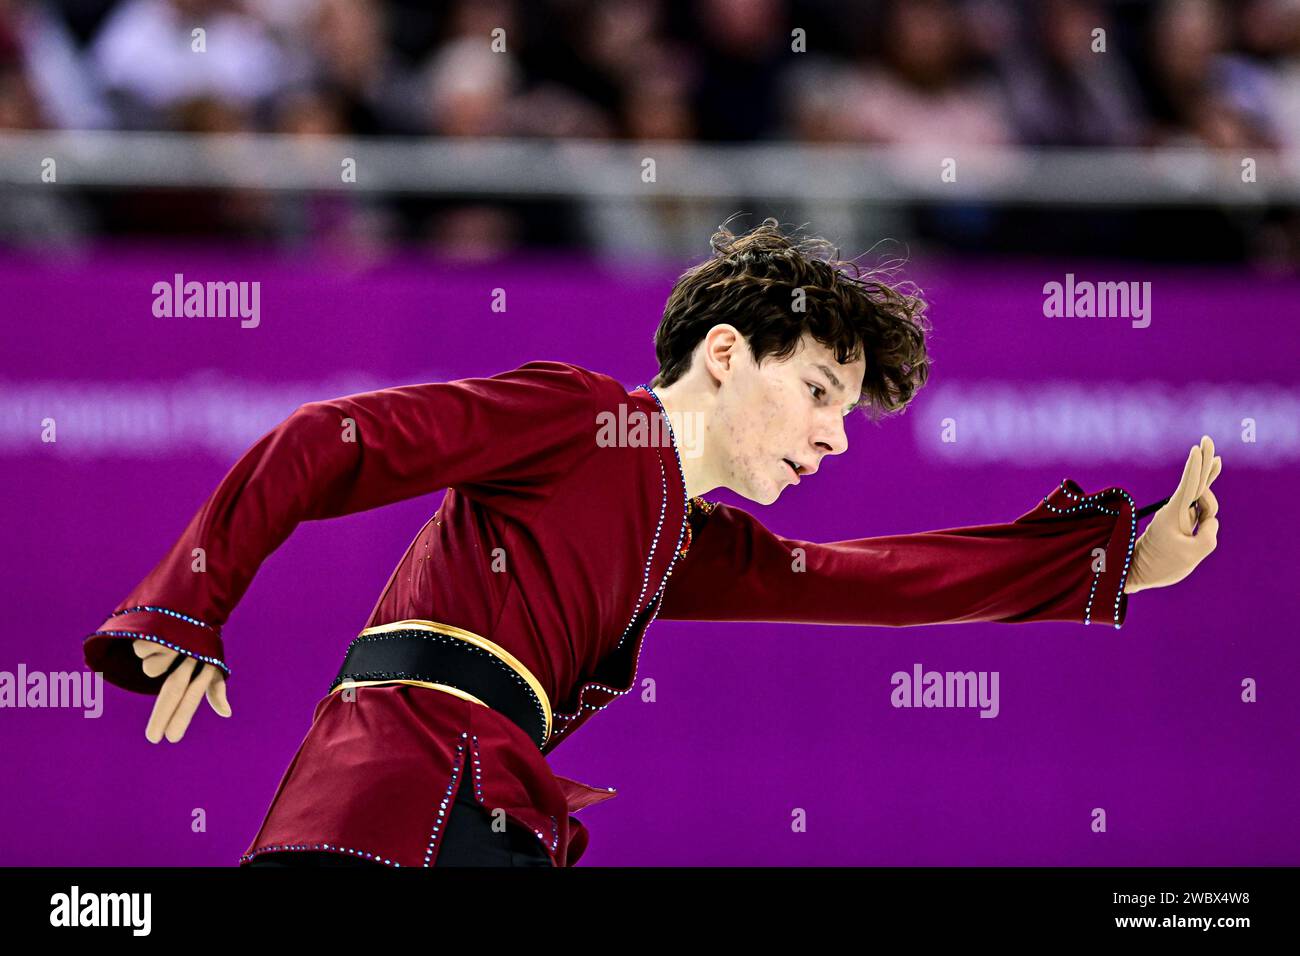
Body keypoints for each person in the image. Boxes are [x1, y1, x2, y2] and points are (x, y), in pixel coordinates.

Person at [82, 218, 1222, 867]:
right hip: (393, 803)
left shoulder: (679, 532)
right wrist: (189, 599)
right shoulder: (581, 415)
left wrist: (1112, 560)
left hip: (483, 815)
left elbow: (866, 579)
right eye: (820, 389)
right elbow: (327, 435)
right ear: (724, 352)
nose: (833, 436)